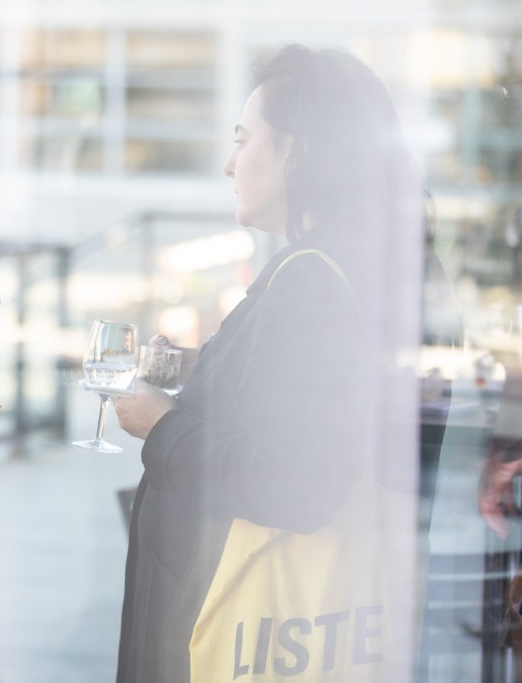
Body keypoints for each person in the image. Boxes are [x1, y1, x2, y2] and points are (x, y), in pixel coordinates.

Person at [112, 45, 425, 682]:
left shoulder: (310, 280)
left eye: (244, 140)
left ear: (300, 152)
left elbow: (295, 483)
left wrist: (162, 426)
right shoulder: (362, 267)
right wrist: (209, 369)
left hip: (237, 633)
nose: (230, 165)